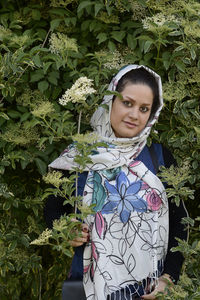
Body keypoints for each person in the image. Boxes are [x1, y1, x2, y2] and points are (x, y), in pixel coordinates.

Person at [44, 65, 188, 300]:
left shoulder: (158, 158)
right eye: (127, 103)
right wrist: (64, 229)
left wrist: (168, 278)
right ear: (111, 100)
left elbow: (180, 223)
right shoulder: (80, 155)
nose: (134, 115)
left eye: (144, 109)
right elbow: (52, 208)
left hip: (147, 291)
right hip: (86, 287)